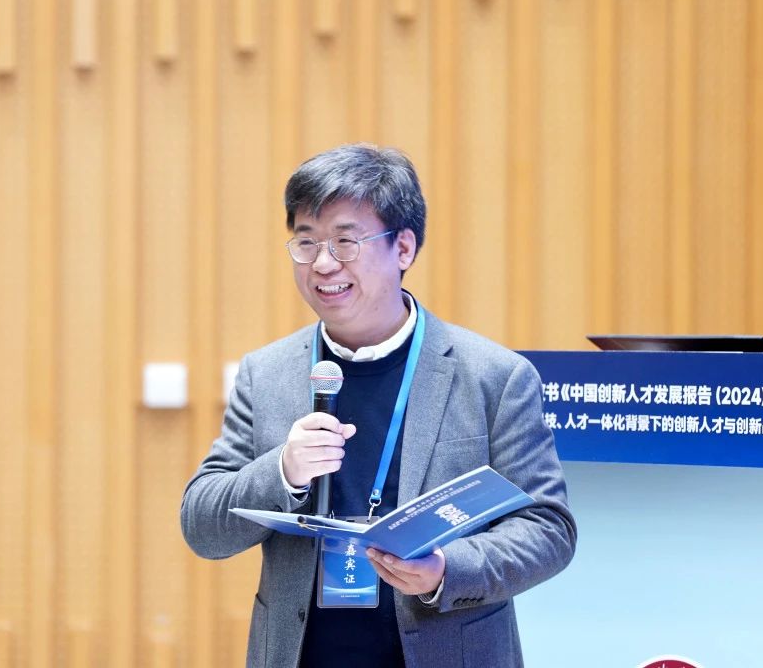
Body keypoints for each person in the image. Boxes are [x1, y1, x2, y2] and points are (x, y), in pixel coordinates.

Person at [181, 144, 576, 667]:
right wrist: (283, 471)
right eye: (306, 242)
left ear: (403, 248)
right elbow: (202, 526)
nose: (323, 264)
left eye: (346, 242)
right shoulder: (267, 374)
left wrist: (446, 569)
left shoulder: (493, 376)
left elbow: (548, 529)